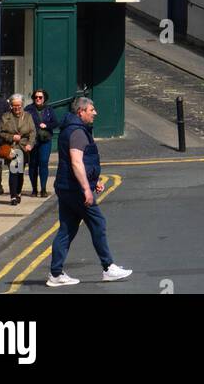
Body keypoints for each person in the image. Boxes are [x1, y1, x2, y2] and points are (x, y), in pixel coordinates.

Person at [47, 95, 131, 287]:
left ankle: (56, 274)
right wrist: (86, 188)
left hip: (66, 187)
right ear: (81, 112)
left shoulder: (73, 129)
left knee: (67, 229)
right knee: (98, 223)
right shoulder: (77, 132)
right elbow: (76, 162)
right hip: (75, 189)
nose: (95, 113)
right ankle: (108, 267)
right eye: (91, 110)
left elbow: (82, 163)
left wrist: (94, 181)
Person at [0, 94, 36, 205]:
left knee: (20, 172)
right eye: (14, 106)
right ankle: (13, 196)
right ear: (11, 106)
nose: (17, 108)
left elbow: (33, 132)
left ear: (22, 105)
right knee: (13, 171)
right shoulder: (6, 116)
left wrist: (30, 144)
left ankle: (18, 192)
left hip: (23, 148)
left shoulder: (28, 116)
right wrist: (11, 137)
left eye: (19, 106)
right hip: (12, 148)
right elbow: (1, 132)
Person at [28, 89, 59, 197]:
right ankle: (34, 189)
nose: (38, 99)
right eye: (36, 97)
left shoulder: (49, 109)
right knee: (33, 164)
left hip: (45, 140)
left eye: (40, 97)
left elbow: (55, 123)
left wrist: (46, 125)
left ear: (44, 98)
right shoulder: (29, 109)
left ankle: (44, 189)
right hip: (33, 140)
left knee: (43, 162)